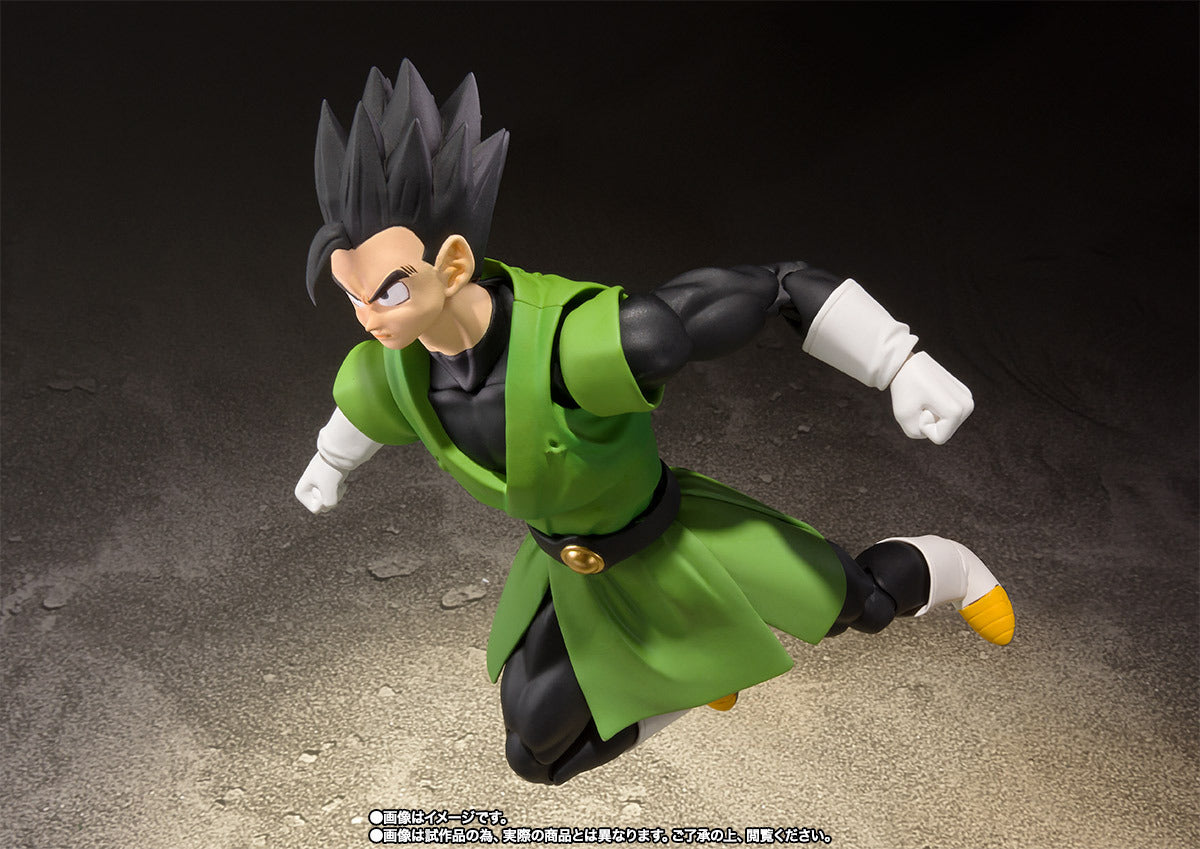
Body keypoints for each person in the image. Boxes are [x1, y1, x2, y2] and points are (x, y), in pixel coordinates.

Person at [295, 61, 1015, 785]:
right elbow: (361, 408)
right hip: (573, 571)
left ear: (453, 264)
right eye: (351, 294)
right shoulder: (394, 371)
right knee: (536, 756)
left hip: (675, 540)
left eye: (388, 292)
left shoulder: (582, 343)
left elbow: (777, 285)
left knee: (864, 606)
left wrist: (898, 360)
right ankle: (694, 672)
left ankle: (948, 565)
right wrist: (330, 461)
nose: (367, 316)